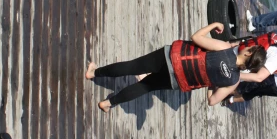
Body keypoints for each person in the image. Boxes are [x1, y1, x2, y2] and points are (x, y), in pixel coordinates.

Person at [84, 22, 266, 113]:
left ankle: (94, 73)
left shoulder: (226, 49)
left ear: (249, 54)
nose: (248, 46)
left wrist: (214, 24)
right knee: (144, 86)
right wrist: (212, 83)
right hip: (178, 79)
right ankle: (108, 103)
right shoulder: (233, 82)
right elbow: (211, 101)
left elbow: (196, 38)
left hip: (172, 57)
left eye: (251, 48)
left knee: (132, 66)